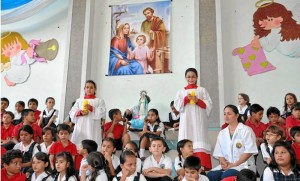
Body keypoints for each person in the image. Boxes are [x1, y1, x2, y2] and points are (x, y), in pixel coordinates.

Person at [174, 68, 213, 170]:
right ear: (185, 78)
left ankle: (201, 167)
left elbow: (208, 105)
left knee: (199, 138)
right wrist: (186, 99)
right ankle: (187, 167)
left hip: (199, 122)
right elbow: (178, 107)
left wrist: (197, 100)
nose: (190, 79)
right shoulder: (181, 91)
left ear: (197, 77)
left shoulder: (202, 90)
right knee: (187, 137)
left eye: (193, 76)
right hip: (186, 122)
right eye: (188, 77)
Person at [207, 105, 258, 181]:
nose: (226, 116)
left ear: (237, 115)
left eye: (229, 114)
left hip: (243, 166)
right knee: (211, 175)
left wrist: (234, 164)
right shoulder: (222, 133)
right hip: (227, 166)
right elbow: (219, 152)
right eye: (224, 114)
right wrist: (223, 163)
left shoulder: (246, 130)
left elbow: (249, 151)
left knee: (227, 175)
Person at [69, 80, 106, 150]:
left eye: (91, 87)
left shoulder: (99, 100)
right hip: (81, 125)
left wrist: (91, 108)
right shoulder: (79, 100)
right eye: (87, 87)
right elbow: (72, 112)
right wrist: (80, 112)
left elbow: (102, 111)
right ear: (84, 89)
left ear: (95, 89)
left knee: (92, 144)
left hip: (93, 127)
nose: (89, 89)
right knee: (79, 146)